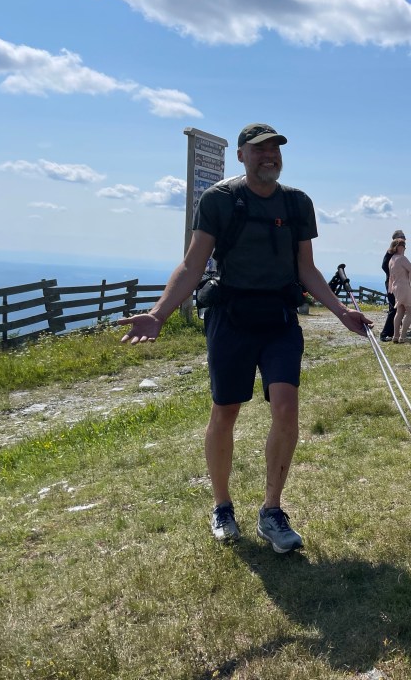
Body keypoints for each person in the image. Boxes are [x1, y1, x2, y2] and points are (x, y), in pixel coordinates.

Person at [118, 123, 369, 553]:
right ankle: (222, 506)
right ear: (241, 155)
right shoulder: (219, 199)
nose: (269, 155)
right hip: (230, 317)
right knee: (226, 410)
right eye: (259, 149)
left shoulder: (297, 203)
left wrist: (342, 311)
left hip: (280, 318)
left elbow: (306, 268)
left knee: (286, 408)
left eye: (274, 149)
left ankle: (272, 511)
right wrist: (159, 314)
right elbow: (193, 263)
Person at [387, 238, 411, 343]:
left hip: (396, 287)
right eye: (403, 246)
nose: (405, 248)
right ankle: (403, 336)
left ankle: (396, 336)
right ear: (398, 247)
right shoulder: (402, 258)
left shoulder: (392, 259)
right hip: (404, 286)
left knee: (400, 311)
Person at [378, 230, 406, 341]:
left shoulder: (397, 252)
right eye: (402, 237)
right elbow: (384, 265)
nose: (404, 239)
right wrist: (393, 275)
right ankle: (385, 334)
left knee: (397, 308)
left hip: (396, 282)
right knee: (394, 308)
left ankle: (393, 332)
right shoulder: (390, 252)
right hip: (392, 282)